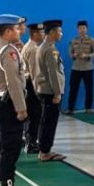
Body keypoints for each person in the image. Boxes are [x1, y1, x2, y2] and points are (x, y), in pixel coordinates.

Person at [0, 14, 32, 186]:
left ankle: (4, 185)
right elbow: (13, 82)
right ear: (7, 32)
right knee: (10, 148)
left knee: (3, 147)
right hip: (9, 104)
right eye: (16, 28)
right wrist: (21, 108)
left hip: (1, 102)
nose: (20, 31)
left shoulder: (0, 48)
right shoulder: (7, 51)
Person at [36, 20, 66, 162]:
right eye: (59, 31)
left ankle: (44, 149)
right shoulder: (49, 50)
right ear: (52, 32)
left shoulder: (44, 47)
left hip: (45, 90)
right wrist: (57, 92)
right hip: (50, 92)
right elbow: (53, 73)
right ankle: (45, 151)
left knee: (46, 121)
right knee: (49, 122)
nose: (61, 34)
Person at [21, 22, 45, 154]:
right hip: (32, 85)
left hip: (29, 83)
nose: (43, 35)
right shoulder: (33, 49)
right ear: (34, 34)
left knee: (32, 114)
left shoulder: (30, 46)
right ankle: (31, 143)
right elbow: (35, 73)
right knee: (34, 115)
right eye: (41, 32)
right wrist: (39, 92)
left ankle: (30, 140)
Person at [67, 20, 94, 115]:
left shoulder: (92, 40)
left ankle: (88, 108)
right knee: (73, 89)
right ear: (77, 29)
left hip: (88, 68)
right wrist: (73, 55)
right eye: (80, 28)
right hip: (76, 68)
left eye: (84, 28)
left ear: (87, 29)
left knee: (89, 89)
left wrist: (87, 55)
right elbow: (70, 53)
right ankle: (70, 109)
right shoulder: (73, 41)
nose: (82, 30)